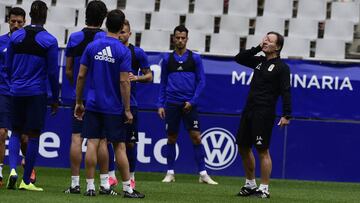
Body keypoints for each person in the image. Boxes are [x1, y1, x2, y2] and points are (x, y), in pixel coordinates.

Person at [74, 9, 144, 198]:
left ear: (106, 24)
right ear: (122, 26)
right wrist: (127, 109)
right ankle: (128, 188)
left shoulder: (92, 46)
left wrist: (79, 101)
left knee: (92, 144)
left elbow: (81, 75)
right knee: (119, 147)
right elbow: (124, 82)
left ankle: (90, 186)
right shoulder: (123, 51)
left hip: (94, 103)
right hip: (113, 107)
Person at [6, 0, 59, 191]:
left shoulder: (16, 37)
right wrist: (55, 98)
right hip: (36, 93)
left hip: (16, 91)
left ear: (29, 15)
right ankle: (26, 181)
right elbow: (53, 73)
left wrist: (15, 83)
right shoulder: (50, 40)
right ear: (45, 16)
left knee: (16, 132)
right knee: (34, 135)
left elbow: (7, 66)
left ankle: (12, 169)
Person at [234, 31, 291, 199]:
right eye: (264, 39)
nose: (265, 42)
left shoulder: (282, 67)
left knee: (262, 150)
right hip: (249, 110)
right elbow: (239, 58)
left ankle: (264, 188)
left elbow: (286, 92)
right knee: (243, 147)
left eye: (269, 40)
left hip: (264, 112)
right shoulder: (259, 62)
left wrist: (286, 114)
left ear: (278, 47)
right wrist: (257, 47)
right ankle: (250, 184)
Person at [158, 25, 217, 185]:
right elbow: (163, 83)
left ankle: (203, 174)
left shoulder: (195, 58)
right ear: (173, 38)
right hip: (171, 103)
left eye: (183, 38)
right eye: (177, 37)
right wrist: (160, 104)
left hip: (189, 105)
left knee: (196, 137)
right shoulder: (167, 59)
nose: (180, 40)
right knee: (171, 138)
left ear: (187, 39)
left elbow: (202, 81)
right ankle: (170, 172)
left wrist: (192, 101)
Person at [63, 0, 108, 194]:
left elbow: (69, 71)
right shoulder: (106, 38)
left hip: (79, 96)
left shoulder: (74, 38)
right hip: (101, 97)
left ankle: (74, 184)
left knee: (76, 138)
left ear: (85, 15)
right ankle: (104, 184)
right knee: (101, 141)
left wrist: (78, 88)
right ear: (103, 18)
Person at [106, 19, 153, 189]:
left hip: (130, 104)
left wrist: (137, 77)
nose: (120, 35)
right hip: (111, 102)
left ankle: (131, 177)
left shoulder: (137, 53)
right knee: (107, 141)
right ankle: (110, 176)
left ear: (130, 34)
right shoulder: (109, 51)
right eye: (119, 32)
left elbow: (150, 76)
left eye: (124, 32)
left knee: (130, 143)